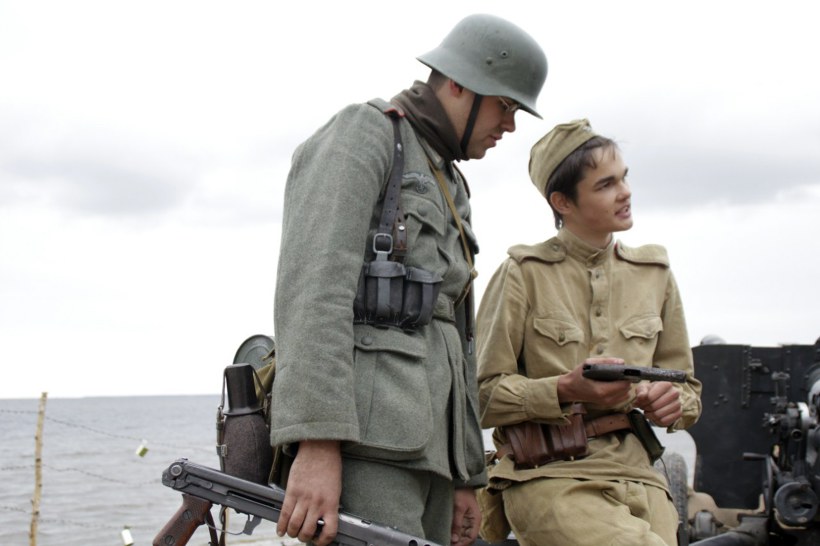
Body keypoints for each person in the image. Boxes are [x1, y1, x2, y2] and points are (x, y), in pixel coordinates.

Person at [270, 14, 548, 546]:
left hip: (432, 454)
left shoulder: (449, 179)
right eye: (505, 105)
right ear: (460, 84)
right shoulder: (367, 132)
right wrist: (317, 443)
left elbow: (457, 336)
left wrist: (465, 473)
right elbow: (314, 290)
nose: (510, 125)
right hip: (366, 447)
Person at [475, 119, 703, 546]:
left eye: (624, 178)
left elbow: (686, 388)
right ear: (563, 201)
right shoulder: (523, 274)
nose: (625, 192)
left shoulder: (655, 274)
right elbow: (480, 397)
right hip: (549, 475)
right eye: (606, 184)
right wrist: (564, 389)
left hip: (640, 476)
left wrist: (672, 403)